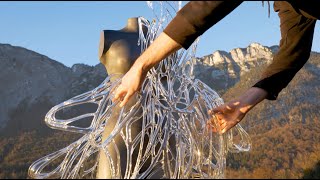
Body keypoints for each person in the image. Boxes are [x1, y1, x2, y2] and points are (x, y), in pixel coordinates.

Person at [112, 1, 320, 134]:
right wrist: (242, 104)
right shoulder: (292, 6)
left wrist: (141, 65)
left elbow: (202, 10)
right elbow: (293, 54)